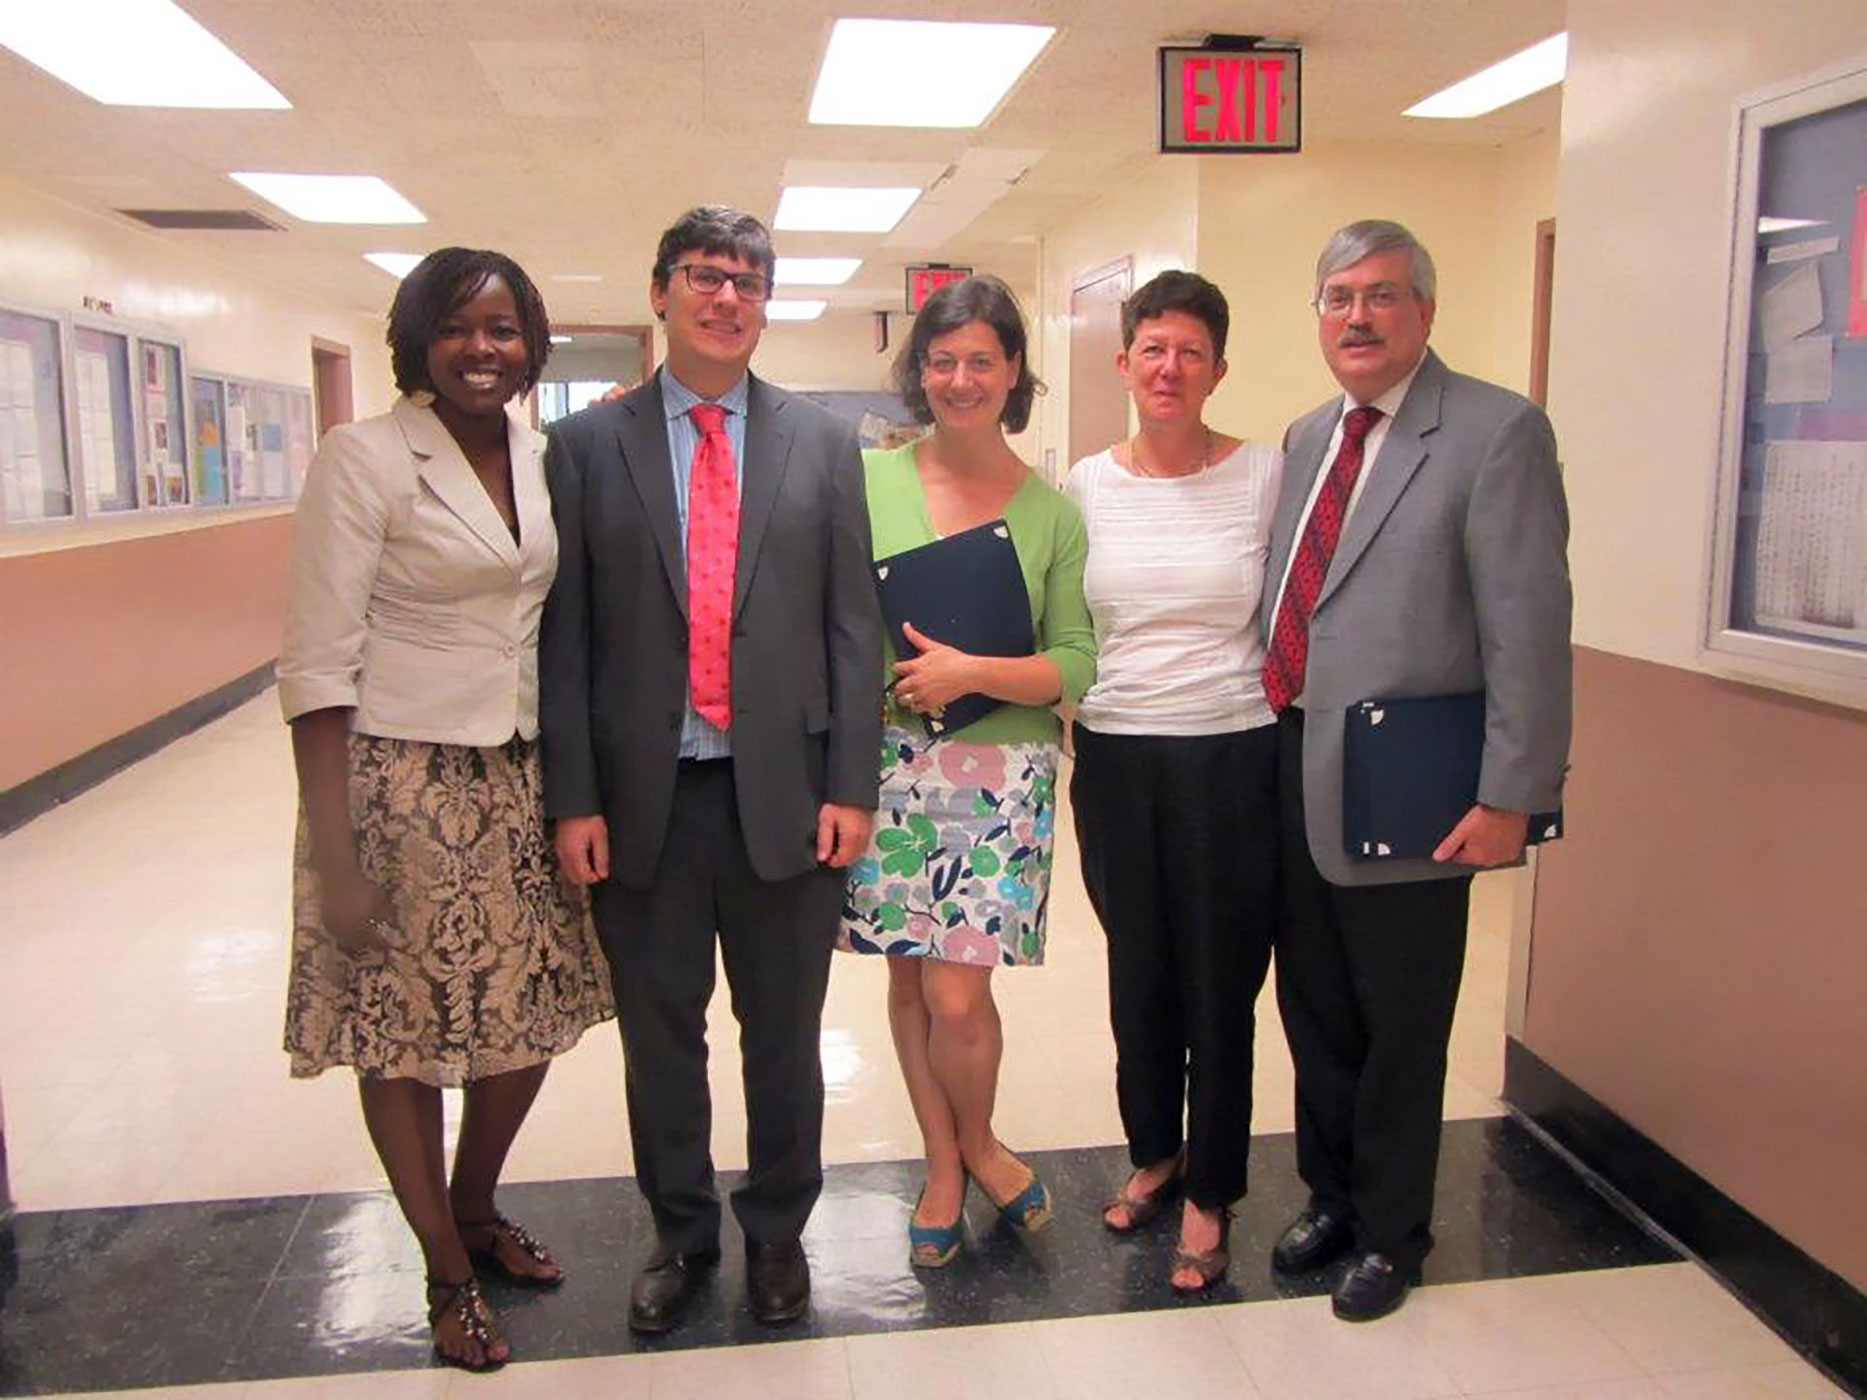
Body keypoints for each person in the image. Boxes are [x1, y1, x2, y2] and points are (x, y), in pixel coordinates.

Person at [538, 206, 884, 1333]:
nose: (726, 296)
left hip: (784, 798)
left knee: (785, 1034)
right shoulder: (588, 448)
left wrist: (852, 785)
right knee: (660, 1034)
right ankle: (680, 1230)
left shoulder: (823, 444)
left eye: (746, 280)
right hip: (647, 801)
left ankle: (778, 1230)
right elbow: (571, 638)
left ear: (763, 303)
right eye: (704, 275)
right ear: (661, 291)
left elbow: (851, 627)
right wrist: (575, 797)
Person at [279, 247, 614, 1372]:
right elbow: (318, 664)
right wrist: (338, 852)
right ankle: (445, 1268)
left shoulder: (536, 452)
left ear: (533, 344)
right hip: (395, 782)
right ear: (420, 337)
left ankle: (474, 1200)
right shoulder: (363, 456)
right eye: (462, 326)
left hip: (517, 776)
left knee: (529, 1013)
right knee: (403, 1033)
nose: (485, 348)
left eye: (507, 327)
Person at [1262, 220, 1572, 1320]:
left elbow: (1527, 628)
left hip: (1414, 783)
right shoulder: (1308, 434)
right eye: (1338, 295)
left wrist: (1511, 798)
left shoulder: (1495, 432)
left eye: (1383, 295)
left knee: (1398, 1020)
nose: (1357, 315)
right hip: (1298, 760)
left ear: (1423, 313)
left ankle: (1393, 1233)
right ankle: (1331, 1196)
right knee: (1314, 1008)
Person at [838, 275, 1096, 1269]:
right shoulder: (869, 485)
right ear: (920, 373)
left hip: (1001, 768)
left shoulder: (1051, 515)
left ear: (1014, 371)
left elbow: (1075, 660)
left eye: (980, 359)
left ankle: (979, 1139)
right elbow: (835, 618)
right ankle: (945, 1161)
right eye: (941, 360)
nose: (959, 377)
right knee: (908, 976)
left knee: (958, 994)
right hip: (891, 761)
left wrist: (970, 669)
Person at [1064, 270, 1282, 1292]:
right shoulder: (1083, 484)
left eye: (1190, 351)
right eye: (1152, 347)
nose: (1168, 366)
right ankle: (1155, 1149)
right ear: (1123, 363)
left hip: (1230, 755)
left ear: (1217, 369)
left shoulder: (1264, 475)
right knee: (1136, 972)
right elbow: (1067, 628)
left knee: (1217, 981)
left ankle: (1211, 1192)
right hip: (1113, 755)